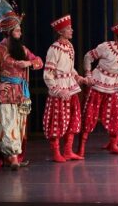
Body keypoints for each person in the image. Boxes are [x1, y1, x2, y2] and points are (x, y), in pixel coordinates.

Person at [0, 0, 43, 170]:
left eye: (20, 29)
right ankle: (12, 158)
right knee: (7, 127)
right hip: (4, 95)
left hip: (21, 94)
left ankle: (13, 157)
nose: (20, 32)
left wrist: (28, 64)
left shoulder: (22, 50)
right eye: (17, 29)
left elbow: (39, 62)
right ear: (9, 31)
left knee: (19, 127)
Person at [79, 19, 118, 157]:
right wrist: (88, 74)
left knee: (116, 115)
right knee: (89, 115)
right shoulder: (106, 46)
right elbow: (88, 57)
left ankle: (114, 145)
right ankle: (81, 147)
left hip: (113, 87)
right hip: (98, 83)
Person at [42, 14, 86, 163]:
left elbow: (70, 68)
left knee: (73, 119)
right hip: (60, 89)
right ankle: (56, 152)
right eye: (68, 28)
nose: (72, 30)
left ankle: (68, 150)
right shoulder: (54, 49)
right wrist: (58, 90)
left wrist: (78, 77)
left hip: (71, 88)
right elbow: (48, 73)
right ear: (61, 32)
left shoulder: (69, 46)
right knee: (58, 120)